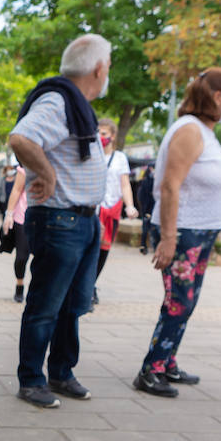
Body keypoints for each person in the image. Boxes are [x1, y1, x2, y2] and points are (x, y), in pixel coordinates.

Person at [7, 33, 112, 408]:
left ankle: (62, 373)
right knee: (46, 304)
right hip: (59, 219)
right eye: (108, 68)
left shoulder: (75, 103)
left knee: (73, 304)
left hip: (82, 220)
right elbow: (20, 139)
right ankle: (32, 379)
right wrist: (47, 174)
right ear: (99, 69)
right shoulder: (58, 101)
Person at [133, 68, 221, 397]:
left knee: (187, 301)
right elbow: (169, 186)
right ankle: (150, 370)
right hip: (183, 233)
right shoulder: (190, 131)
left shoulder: (205, 132)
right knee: (179, 302)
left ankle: (167, 361)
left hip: (200, 233)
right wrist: (168, 238)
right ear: (217, 97)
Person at [92, 118, 138, 304]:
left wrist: (130, 205)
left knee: (103, 250)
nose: (100, 137)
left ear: (112, 136)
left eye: (104, 134)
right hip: (93, 208)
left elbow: (124, 184)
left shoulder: (120, 158)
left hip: (112, 209)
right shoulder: (91, 153)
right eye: (98, 133)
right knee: (90, 248)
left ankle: (90, 284)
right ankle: (85, 286)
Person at [0, 164, 30, 301]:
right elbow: (17, 190)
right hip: (22, 218)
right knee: (21, 257)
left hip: (46, 219)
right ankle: (20, 284)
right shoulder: (26, 165)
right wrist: (9, 214)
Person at [136, 164, 157, 253]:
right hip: (148, 208)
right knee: (146, 228)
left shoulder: (155, 180)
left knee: (151, 228)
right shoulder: (147, 181)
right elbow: (142, 196)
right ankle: (143, 246)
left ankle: (149, 246)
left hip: (153, 208)